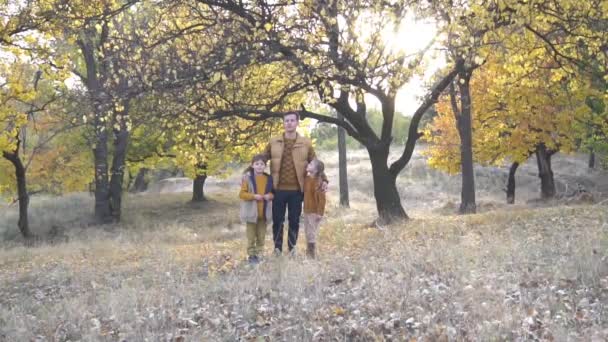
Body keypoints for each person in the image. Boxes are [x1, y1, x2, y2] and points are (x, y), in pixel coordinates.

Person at [263, 111, 327, 256]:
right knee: (278, 220)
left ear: (297, 122)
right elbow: (261, 159)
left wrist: (324, 180)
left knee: (294, 221)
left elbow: (316, 164)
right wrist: (248, 173)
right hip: (277, 189)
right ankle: (277, 249)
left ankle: (292, 249)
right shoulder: (274, 142)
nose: (289, 123)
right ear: (283, 123)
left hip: (297, 190)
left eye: (292, 120)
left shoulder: (305, 143)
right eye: (286, 120)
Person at [239, 154, 274, 264]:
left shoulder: (269, 178)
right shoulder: (247, 178)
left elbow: (273, 192)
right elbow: (242, 194)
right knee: (251, 236)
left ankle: (259, 254)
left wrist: (270, 196)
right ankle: (251, 255)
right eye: (257, 164)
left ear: (265, 166)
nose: (259, 166)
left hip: (263, 214)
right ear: (252, 165)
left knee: (261, 236)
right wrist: (253, 196)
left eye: (262, 164)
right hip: (251, 214)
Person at [303, 159, 326, 259]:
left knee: (311, 232)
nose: (308, 164)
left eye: (311, 164)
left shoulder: (319, 182)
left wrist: (320, 213)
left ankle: (311, 254)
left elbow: (322, 199)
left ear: (316, 170)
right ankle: (308, 251)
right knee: (307, 231)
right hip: (306, 210)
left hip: (314, 211)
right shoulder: (307, 179)